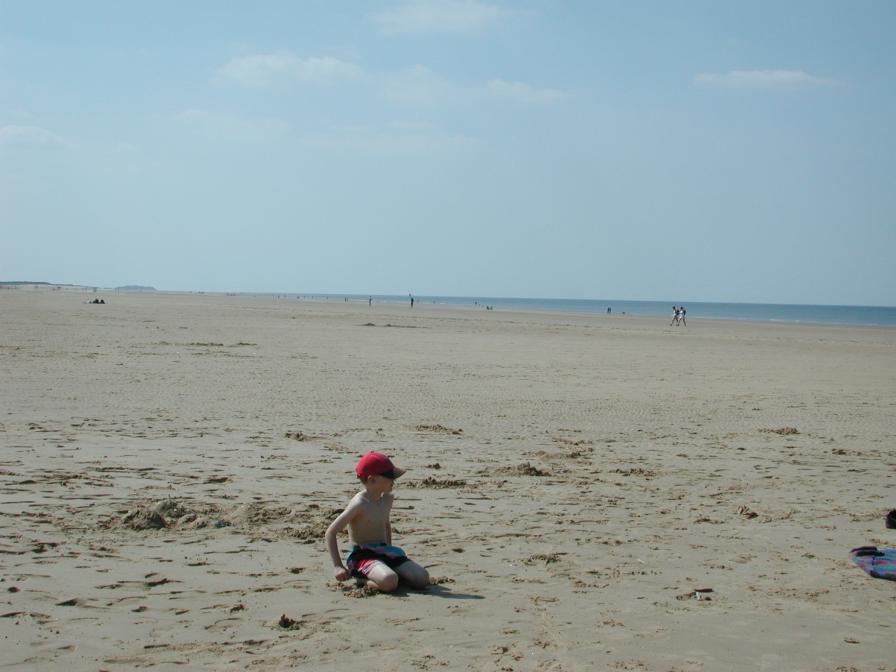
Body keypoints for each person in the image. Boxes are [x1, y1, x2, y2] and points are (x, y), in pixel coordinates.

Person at [325, 452, 430, 592]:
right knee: (389, 581)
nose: (394, 481)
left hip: (384, 551)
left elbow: (385, 524)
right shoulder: (359, 503)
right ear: (372, 479)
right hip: (363, 555)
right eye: (390, 477)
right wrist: (337, 565)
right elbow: (331, 532)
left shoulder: (386, 500)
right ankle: (363, 579)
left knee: (422, 578)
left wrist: (389, 549)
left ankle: (388, 573)